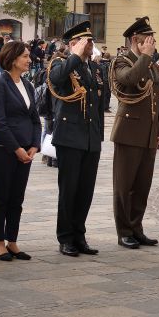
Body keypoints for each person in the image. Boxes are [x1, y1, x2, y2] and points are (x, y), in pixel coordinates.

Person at [48, 21, 104, 257]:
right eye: (87, 41)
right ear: (74, 44)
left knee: (85, 190)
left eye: (91, 41)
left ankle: (79, 234)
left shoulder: (91, 67)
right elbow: (57, 80)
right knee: (69, 189)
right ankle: (65, 237)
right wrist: (75, 56)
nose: (91, 45)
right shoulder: (62, 63)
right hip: (70, 137)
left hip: (90, 137)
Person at [110, 17, 159, 250]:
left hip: (148, 132)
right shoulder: (122, 60)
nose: (151, 43)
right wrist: (145, 57)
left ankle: (137, 227)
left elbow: (156, 97)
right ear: (135, 40)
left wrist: (158, 129)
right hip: (129, 131)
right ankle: (124, 231)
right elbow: (128, 81)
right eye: (147, 40)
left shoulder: (148, 63)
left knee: (142, 185)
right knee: (124, 185)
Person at [0, 41, 41, 262]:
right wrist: (17, 148)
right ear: (12, 58)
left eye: (29, 56)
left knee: (17, 197)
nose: (29, 60)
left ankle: (13, 240)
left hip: (26, 151)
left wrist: (34, 146)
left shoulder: (27, 85)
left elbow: (35, 119)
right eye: (25, 56)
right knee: (2, 195)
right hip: (3, 149)